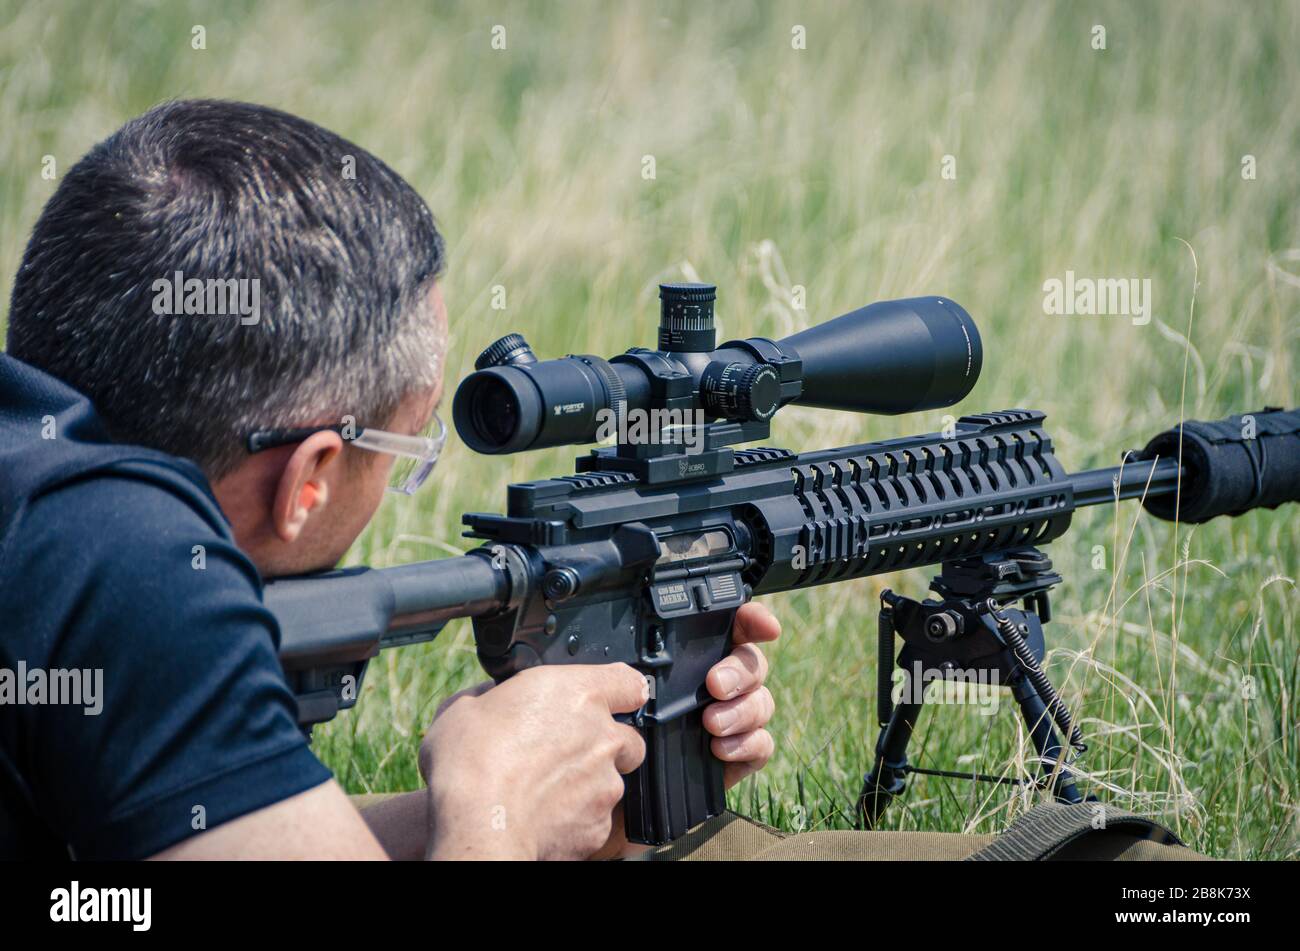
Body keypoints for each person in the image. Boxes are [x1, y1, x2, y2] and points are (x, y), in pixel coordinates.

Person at [0, 99, 779, 860]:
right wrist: (491, 812)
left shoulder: (54, 519)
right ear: (309, 479)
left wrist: (536, 805)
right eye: (409, 449)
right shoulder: (144, 583)